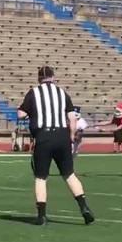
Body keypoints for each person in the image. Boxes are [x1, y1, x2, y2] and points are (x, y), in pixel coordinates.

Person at [17, 66, 93, 226]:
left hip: (44, 136)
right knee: (69, 174)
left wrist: (29, 112)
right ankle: (84, 208)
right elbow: (72, 117)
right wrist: (71, 136)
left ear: (39, 78)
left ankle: (42, 216)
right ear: (53, 77)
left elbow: (21, 114)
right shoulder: (62, 93)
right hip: (62, 135)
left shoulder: (34, 93)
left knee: (41, 177)